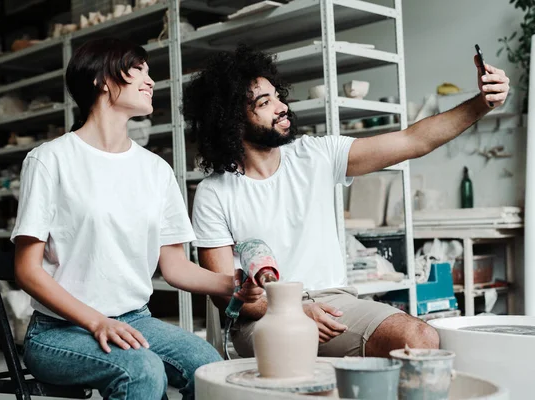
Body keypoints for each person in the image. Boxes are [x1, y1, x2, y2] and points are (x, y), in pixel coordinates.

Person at [182, 44, 510, 358]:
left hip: (336, 301)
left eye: (278, 96)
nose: (282, 107)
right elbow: (226, 295)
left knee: (421, 338)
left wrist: (481, 103)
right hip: (263, 317)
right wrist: (297, 310)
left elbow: (414, 140)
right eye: (265, 103)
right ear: (232, 120)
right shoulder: (215, 193)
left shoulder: (318, 155)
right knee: (292, 350)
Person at [10, 38, 262, 400]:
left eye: (149, 72)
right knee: (141, 368)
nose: (151, 80)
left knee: (207, 364)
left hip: (135, 319)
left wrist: (232, 284)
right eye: (138, 69)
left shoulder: (156, 171)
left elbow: (174, 267)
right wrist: (97, 321)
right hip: (59, 331)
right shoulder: (50, 160)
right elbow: (27, 270)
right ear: (102, 79)